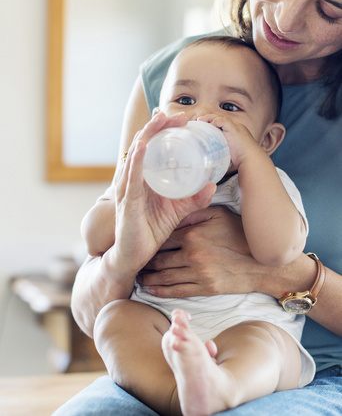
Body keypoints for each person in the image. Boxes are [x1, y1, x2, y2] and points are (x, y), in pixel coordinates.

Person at [53, 0, 342, 415]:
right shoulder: (174, 72)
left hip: (306, 368)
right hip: (169, 351)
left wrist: (278, 275)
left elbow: (277, 248)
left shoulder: (269, 171)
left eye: (330, 10)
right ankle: (187, 394)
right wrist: (123, 256)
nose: (285, 18)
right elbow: (91, 305)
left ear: (270, 138)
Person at [93, 35, 315, 416]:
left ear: (267, 139)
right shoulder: (145, 179)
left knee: (266, 342)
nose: (201, 117)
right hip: (162, 326)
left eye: (229, 106)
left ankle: (222, 387)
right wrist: (131, 192)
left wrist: (251, 162)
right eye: (184, 100)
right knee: (114, 319)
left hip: (248, 326)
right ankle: (176, 395)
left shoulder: (264, 184)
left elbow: (277, 251)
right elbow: (94, 238)